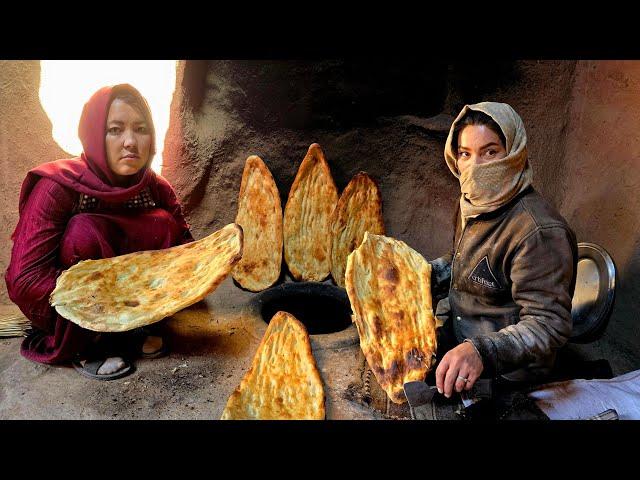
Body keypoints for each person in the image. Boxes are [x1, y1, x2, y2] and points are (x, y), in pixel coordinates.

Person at [5, 84, 194, 380]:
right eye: (115, 130)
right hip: (79, 309)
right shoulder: (58, 188)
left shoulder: (155, 188)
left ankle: (137, 328)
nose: (130, 142)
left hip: (135, 305)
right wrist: (98, 303)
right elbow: (24, 280)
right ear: (94, 134)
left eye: (140, 129)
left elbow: (186, 252)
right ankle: (89, 344)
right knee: (84, 232)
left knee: (163, 224)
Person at [428, 101, 578, 402]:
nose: (475, 167)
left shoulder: (538, 232)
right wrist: (422, 275)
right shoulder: (474, 204)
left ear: (513, 153)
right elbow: (470, 266)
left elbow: (548, 323)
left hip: (511, 377)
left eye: (490, 152)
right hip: (463, 340)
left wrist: (482, 352)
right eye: (465, 154)